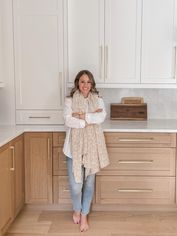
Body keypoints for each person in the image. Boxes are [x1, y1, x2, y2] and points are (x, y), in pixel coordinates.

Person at [63, 70, 109, 232]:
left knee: (89, 184)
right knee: (76, 186)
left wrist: (81, 116)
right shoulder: (69, 100)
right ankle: (76, 208)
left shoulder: (98, 100)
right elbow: (68, 120)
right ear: (77, 83)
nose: (85, 85)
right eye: (82, 81)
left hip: (92, 148)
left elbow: (101, 117)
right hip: (73, 149)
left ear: (92, 84)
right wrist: (88, 120)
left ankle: (84, 215)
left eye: (89, 82)